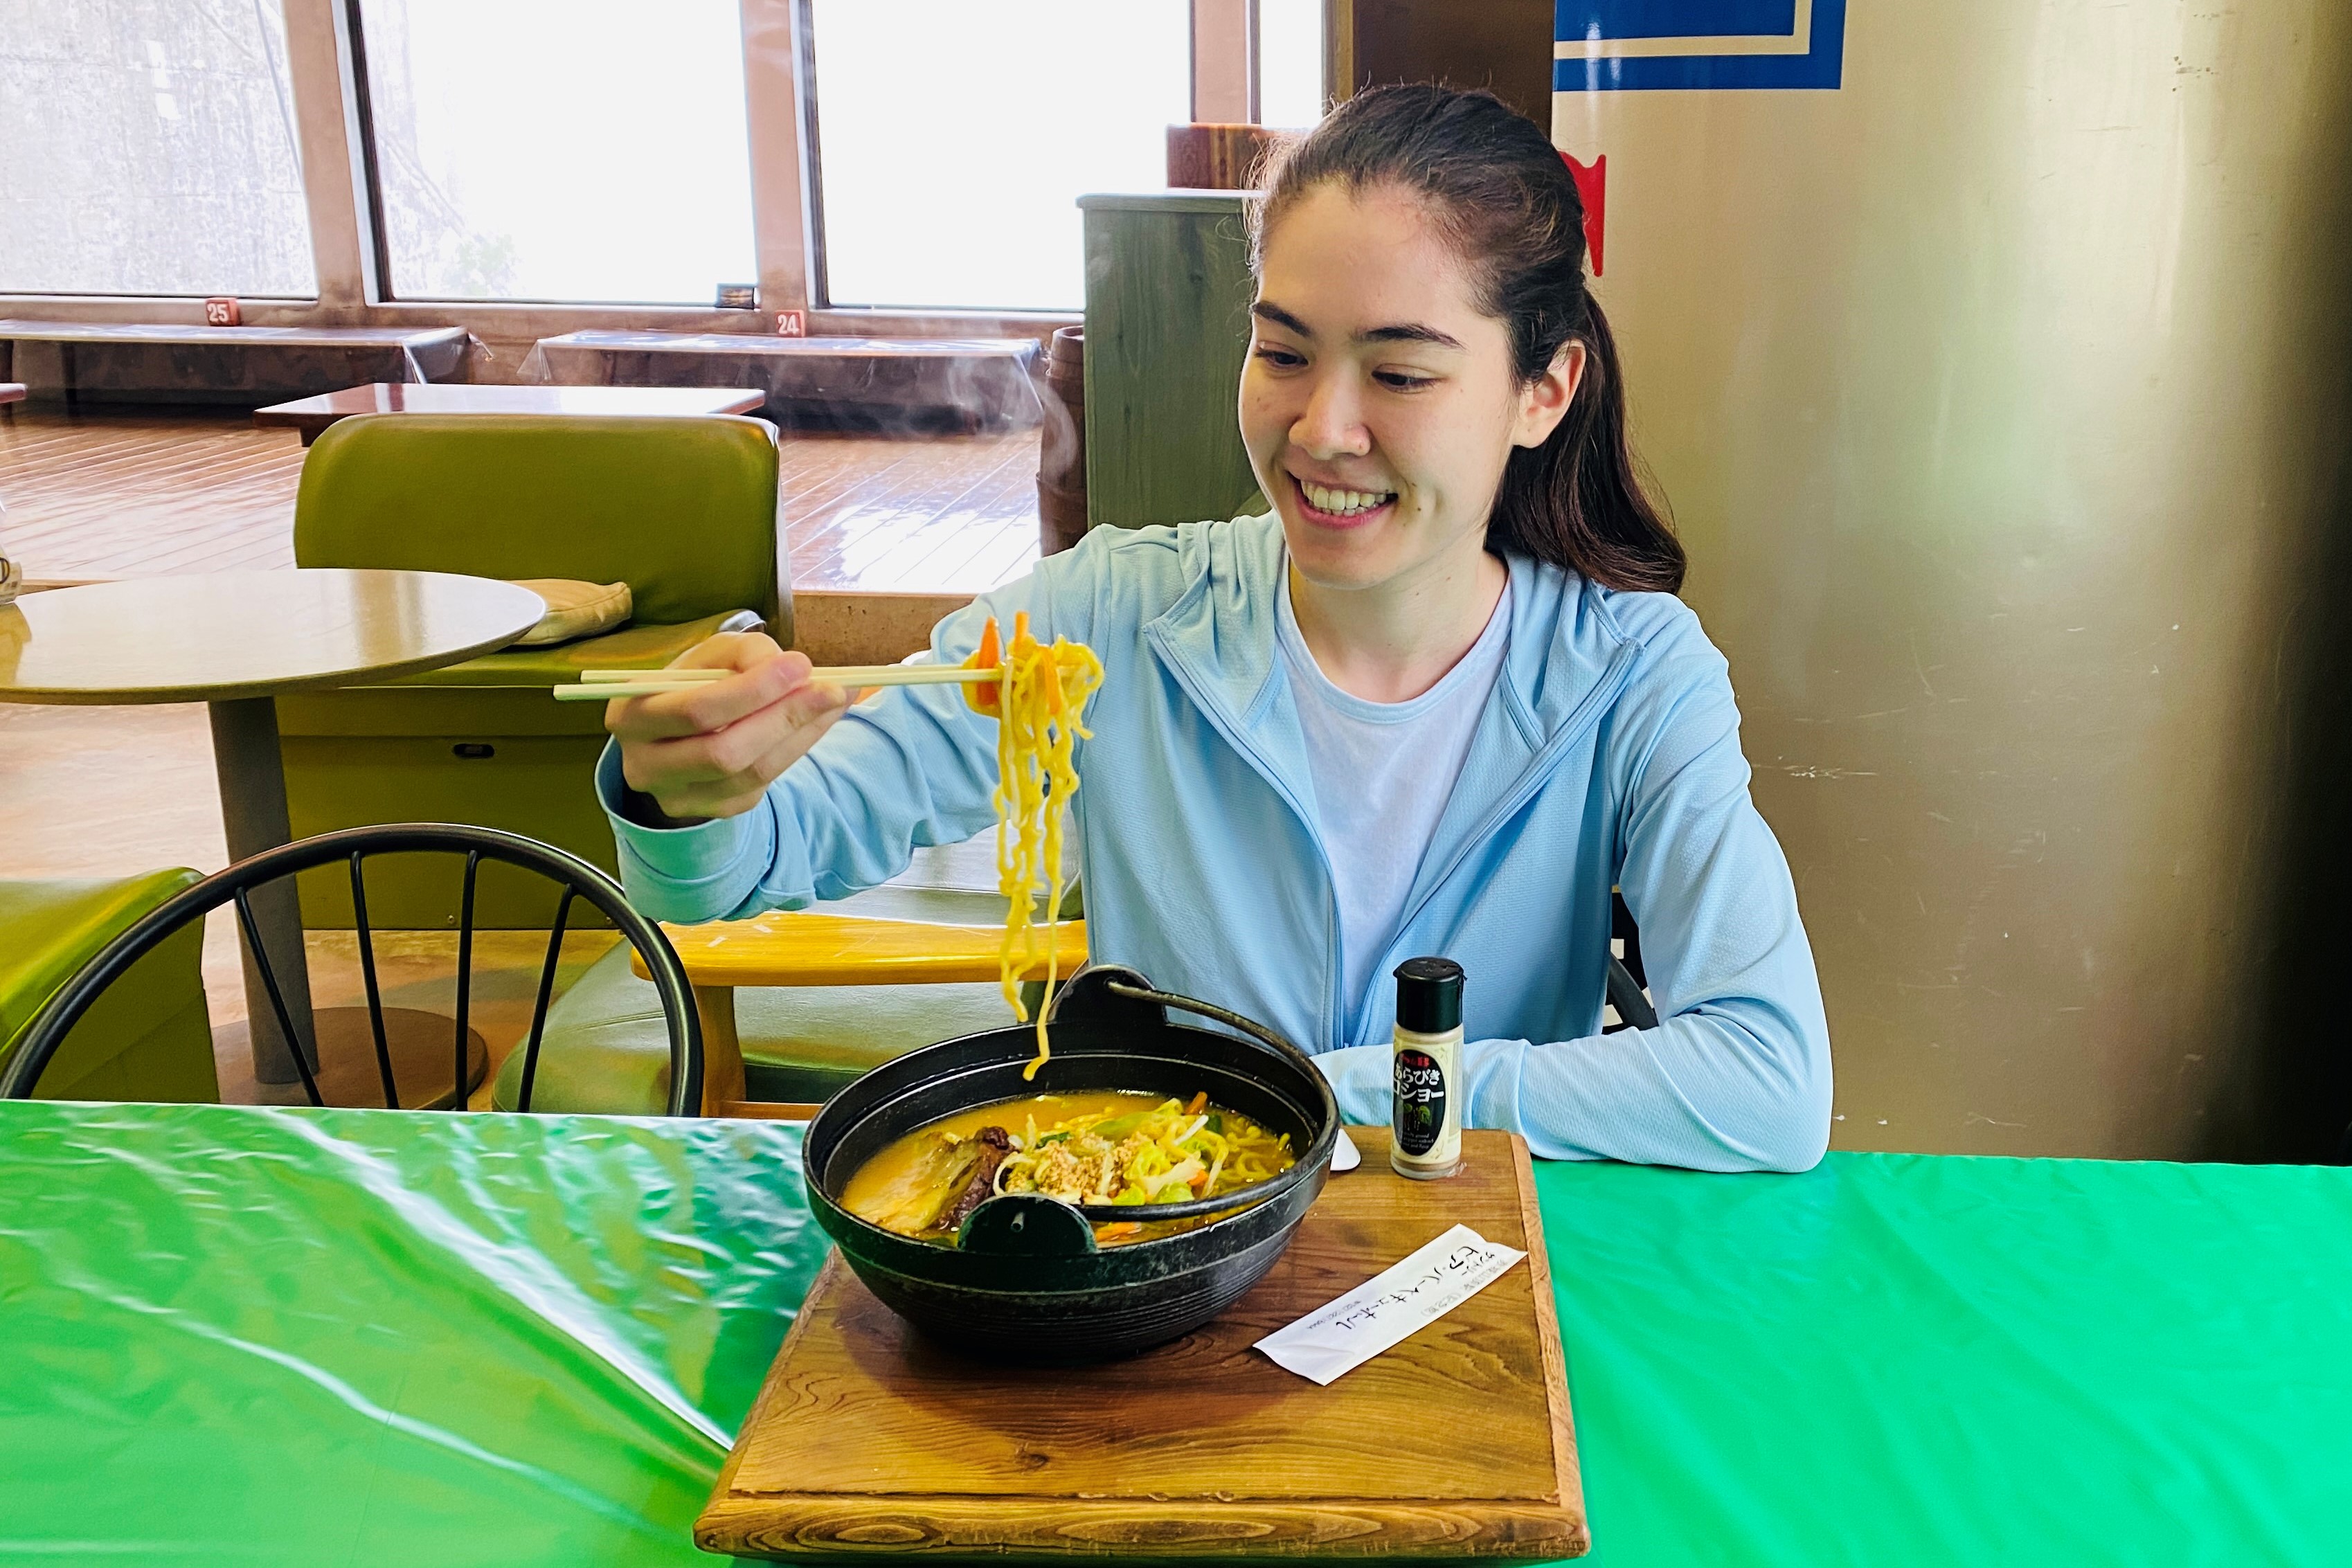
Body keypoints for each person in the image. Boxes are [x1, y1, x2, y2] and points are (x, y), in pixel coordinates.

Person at [599, 84, 1832, 1173]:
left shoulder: (1628, 670)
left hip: (1474, 1275)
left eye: (1400, 375)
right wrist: (687, 796)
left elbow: (1768, 1081)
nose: (1321, 429)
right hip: (1169, 1265)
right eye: (1282, 351)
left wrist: (1339, 1096)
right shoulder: (1106, 620)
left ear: (1541, 390)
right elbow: (747, 872)